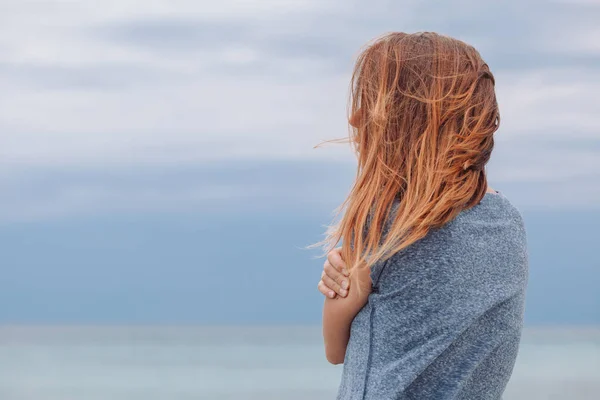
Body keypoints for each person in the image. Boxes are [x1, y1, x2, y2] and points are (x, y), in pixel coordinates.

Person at [316, 32, 528, 399]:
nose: (354, 120)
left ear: (403, 119)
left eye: (369, 105)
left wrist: (341, 296)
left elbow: (335, 351)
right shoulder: (507, 222)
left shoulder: (389, 222)